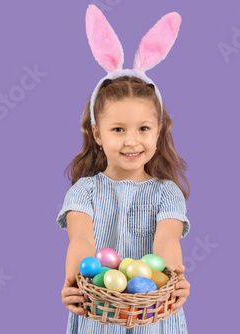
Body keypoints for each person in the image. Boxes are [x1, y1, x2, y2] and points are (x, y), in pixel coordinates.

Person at [56, 5, 191, 333]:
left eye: (144, 128)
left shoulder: (166, 192)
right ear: (97, 133)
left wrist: (171, 277)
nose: (132, 141)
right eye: (118, 129)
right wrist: (74, 280)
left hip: (154, 314)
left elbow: (166, 241)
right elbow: (82, 238)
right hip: (99, 312)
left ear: (158, 131)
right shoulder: (84, 191)